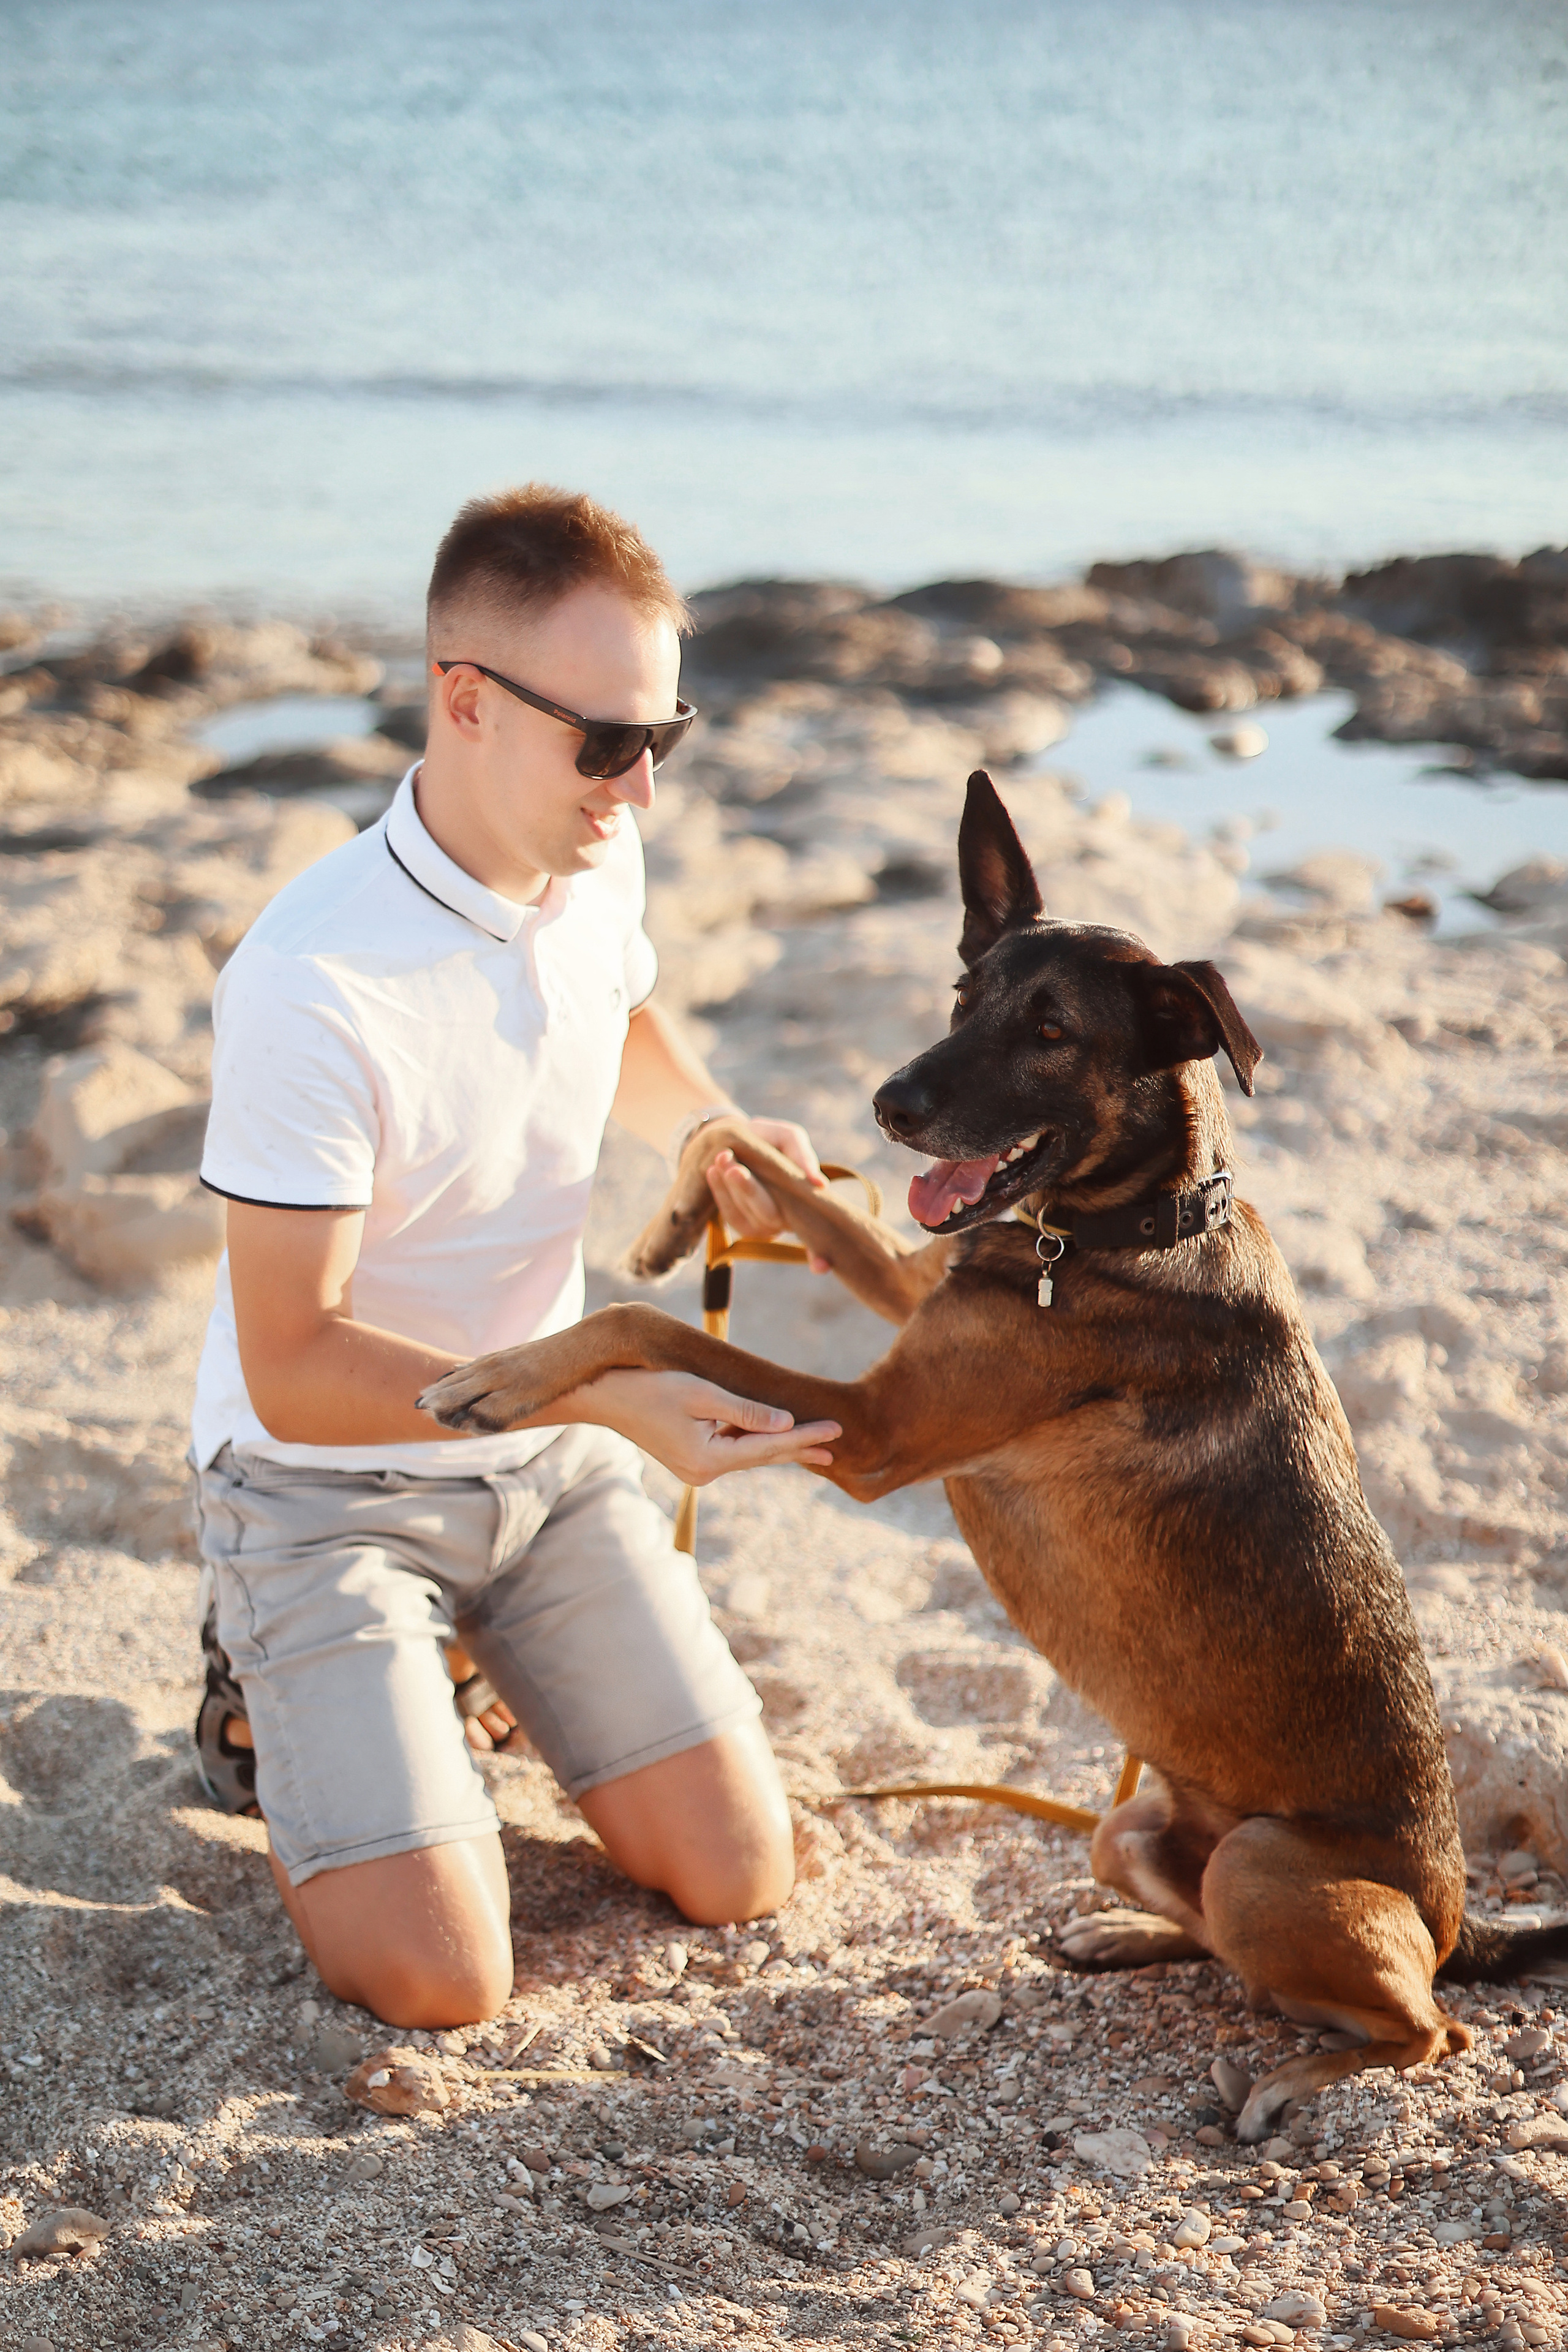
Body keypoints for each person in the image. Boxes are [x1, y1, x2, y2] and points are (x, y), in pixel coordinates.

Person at [190, 484, 841, 2028]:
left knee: (741, 1873)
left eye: (662, 740)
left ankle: (464, 1664)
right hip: (319, 1492)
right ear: (464, 701)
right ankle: (251, 1678)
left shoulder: (589, 850)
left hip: (541, 1464)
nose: (636, 788)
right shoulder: (311, 981)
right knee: (440, 1981)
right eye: (603, 742)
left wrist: (705, 1134)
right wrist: (605, 1396)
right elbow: (293, 1367)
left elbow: (614, 1018)